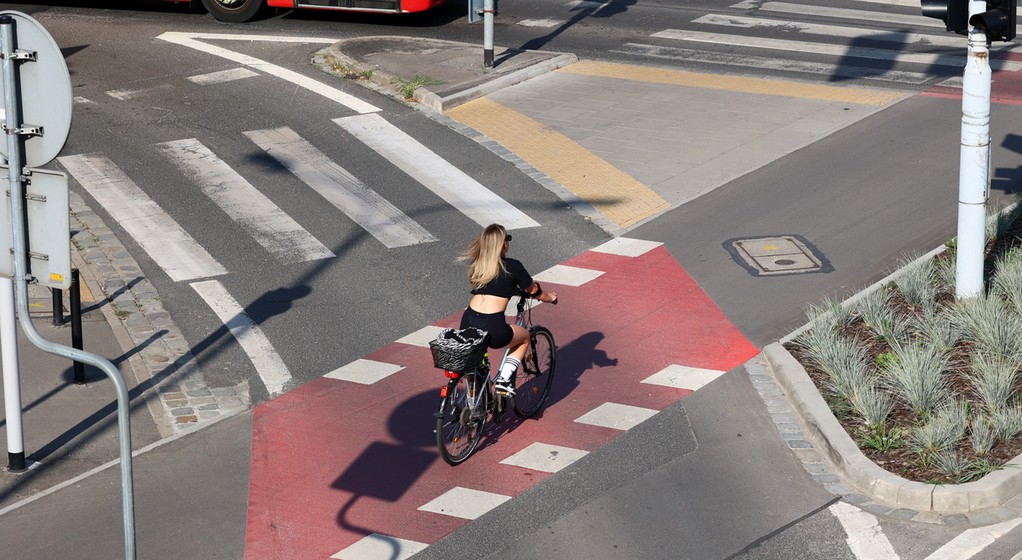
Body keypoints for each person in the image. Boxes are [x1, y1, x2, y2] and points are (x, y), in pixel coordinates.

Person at [459, 224, 557, 396]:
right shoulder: (513, 266)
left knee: (475, 365)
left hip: (468, 320)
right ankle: (504, 380)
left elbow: (488, 286)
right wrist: (550, 297)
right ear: (503, 244)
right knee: (525, 337)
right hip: (492, 326)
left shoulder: (478, 265)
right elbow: (533, 290)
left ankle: (472, 406)